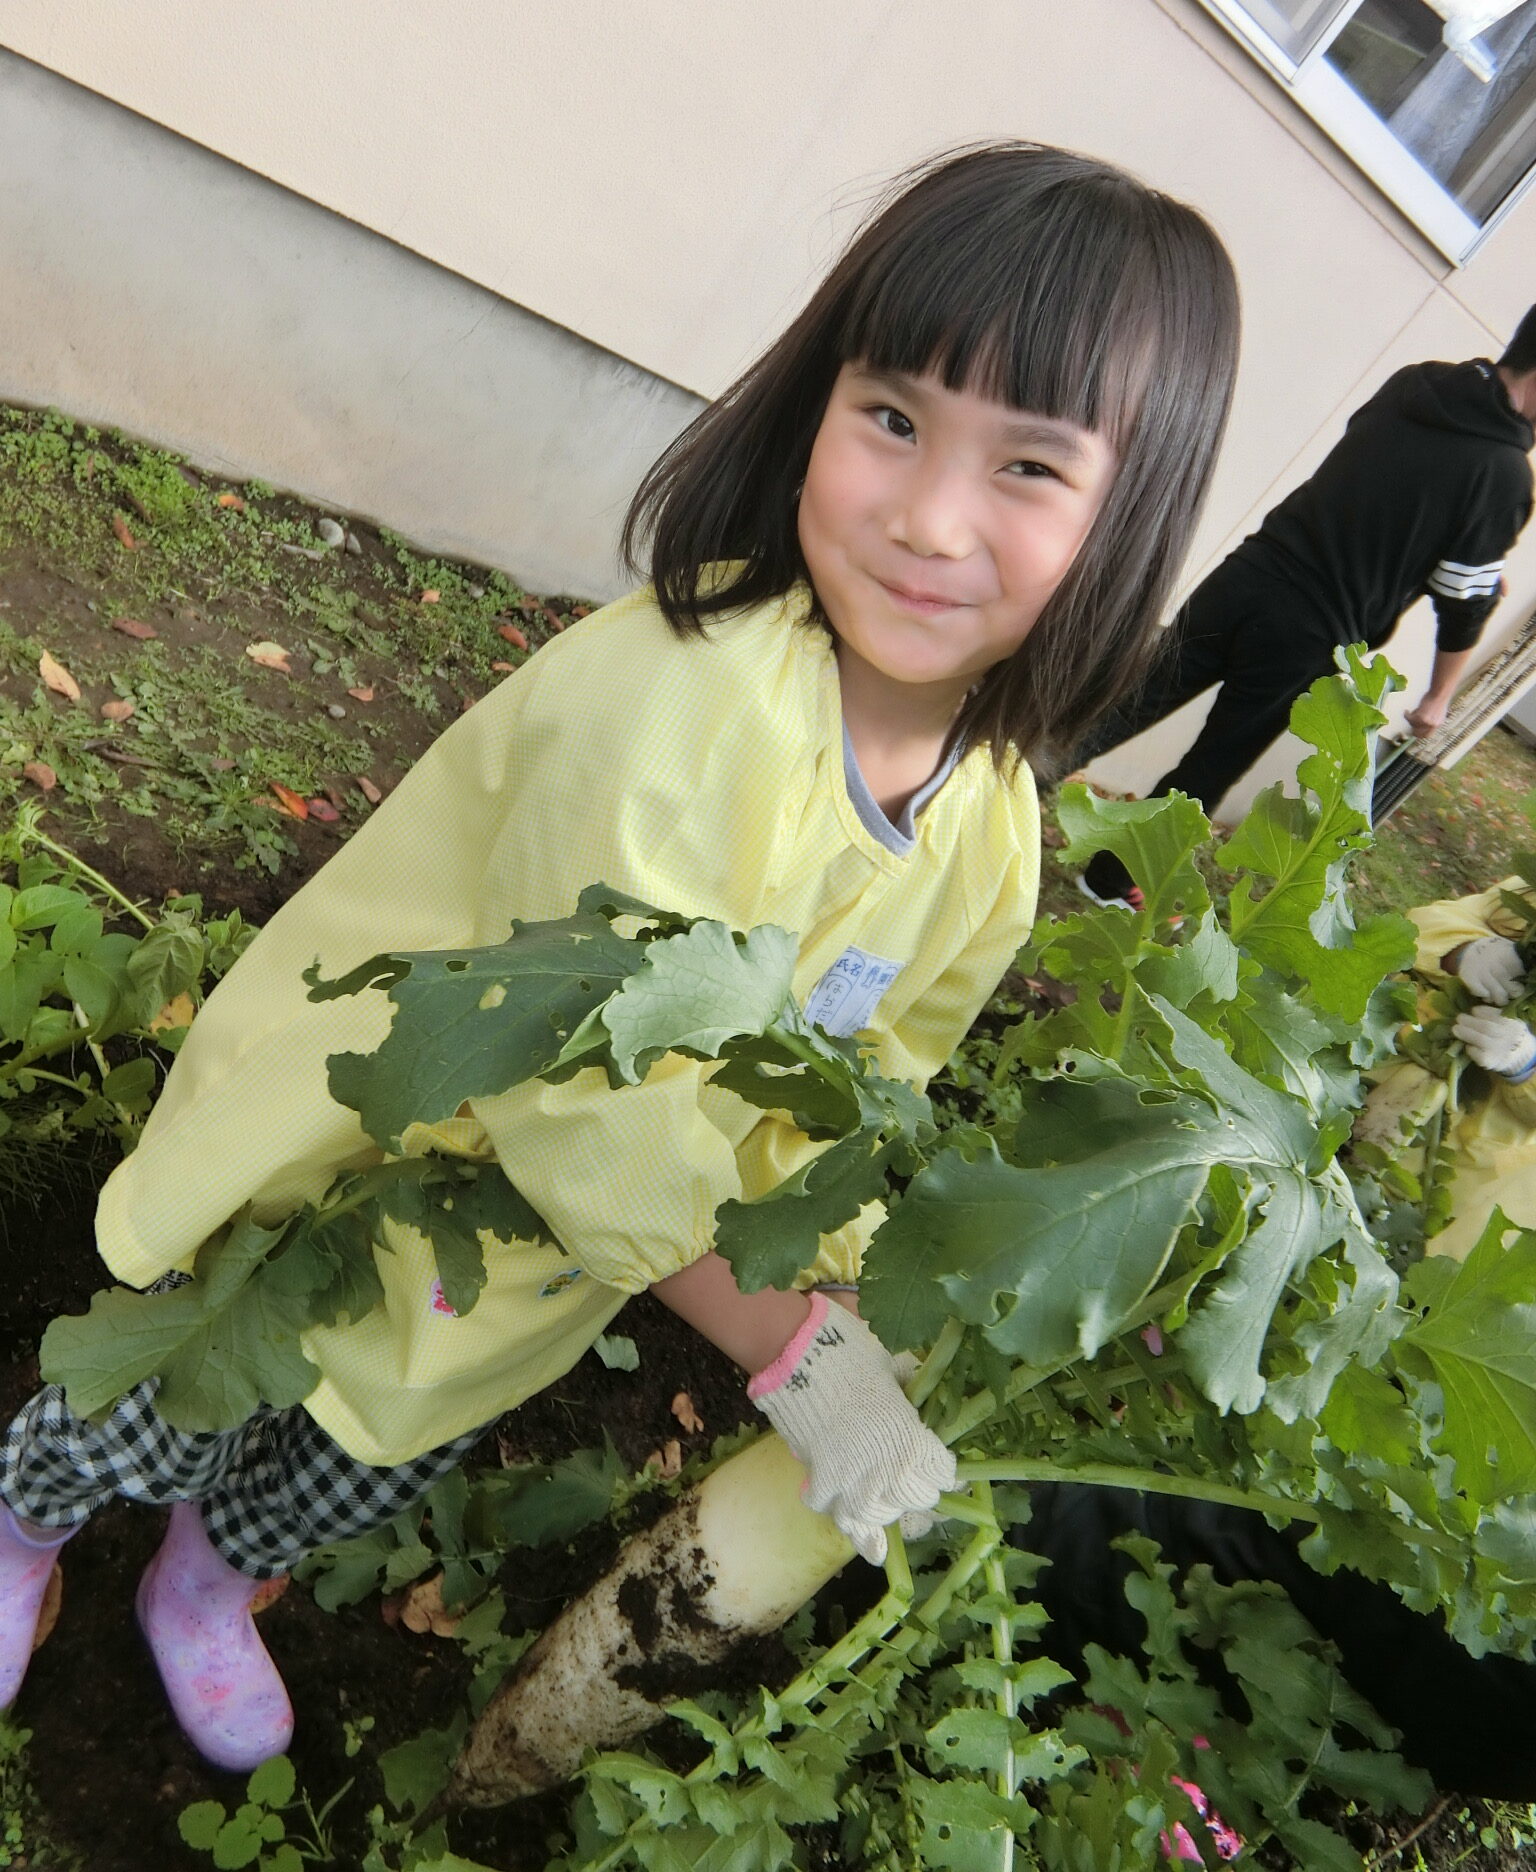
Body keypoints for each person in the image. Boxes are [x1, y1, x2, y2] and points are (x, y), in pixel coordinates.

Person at [0, 144, 1241, 1768]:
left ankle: (205, 1587)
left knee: (364, 1448)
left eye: (1027, 467)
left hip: (527, 1273)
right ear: (816, 397)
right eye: (891, 418)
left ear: (1127, 518)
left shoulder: (993, 830)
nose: (931, 516)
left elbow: (866, 1086)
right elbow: (575, 1087)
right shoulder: (677, 701)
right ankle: (24, 1531)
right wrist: (789, 1344)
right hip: (355, 1148)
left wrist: (850, 1265)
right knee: (175, 1383)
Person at [1025, 879, 1536, 1801]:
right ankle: (1127, 1435)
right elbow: (1411, 928)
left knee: (1340, 1465)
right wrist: (1467, 952)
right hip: (1375, 1161)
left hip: (1478, 1254)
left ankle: (1078, 1530)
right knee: (1256, 1318)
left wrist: (1532, 1068)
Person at [1076, 314, 1536, 908]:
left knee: (1130, 698)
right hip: (1309, 632)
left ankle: (991, 782)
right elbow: (1463, 602)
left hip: (1248, 573)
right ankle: (1111, 880)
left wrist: (1443, 558)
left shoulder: (1416, 385)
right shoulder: (1504, 475)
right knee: (1213, 764)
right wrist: (1437, 699)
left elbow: (1376, 485)